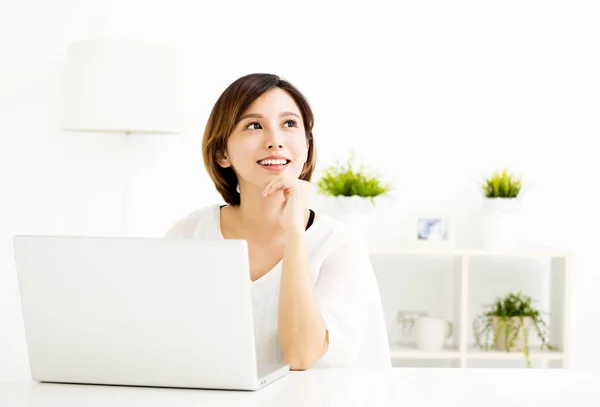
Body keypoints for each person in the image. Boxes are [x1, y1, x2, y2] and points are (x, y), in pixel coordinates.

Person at [165, 73, 391, 370]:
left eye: (289, 124)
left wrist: (295, 232)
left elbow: (301, 355)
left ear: (307, 146)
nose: (275, 141)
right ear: (222, 152)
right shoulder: (189, 235)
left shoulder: (339, 246)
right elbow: (166, 348)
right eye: (254, 125)